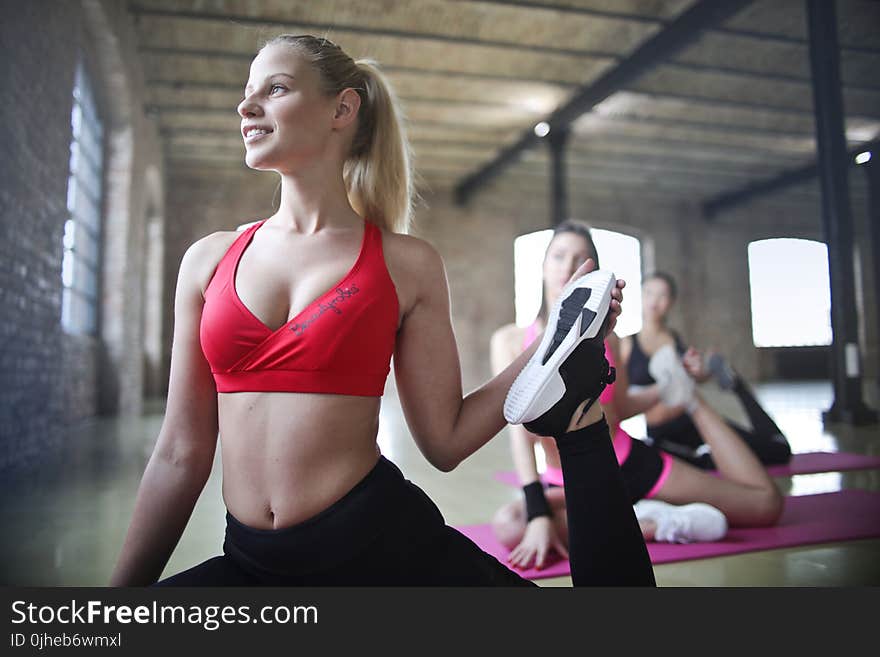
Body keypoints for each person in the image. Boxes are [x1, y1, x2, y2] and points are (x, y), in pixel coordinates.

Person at [109, 35, 653, 587]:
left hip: (383, 548)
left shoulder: (405, 264)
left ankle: (577, 403)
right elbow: (179, 453)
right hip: (252, 565)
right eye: (247, 93)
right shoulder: (207, 260)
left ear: (342, 109)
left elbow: (446, 442)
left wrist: (550, 341)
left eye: (275, 89)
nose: (247, 107)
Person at [491, 221, 783, 572]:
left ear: (592, 270)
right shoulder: (508, 341)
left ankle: (685, 410)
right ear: (542, 266)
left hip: (628, 462)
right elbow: (517, 433)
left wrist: (672, 389)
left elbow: (622, 405)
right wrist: (537, 512)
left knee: (765, 506)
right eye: (558, 256)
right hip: (563, 479)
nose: (567, 267)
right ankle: (650, 522)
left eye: (579, 258)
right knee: (508, 526)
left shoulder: (609, 338)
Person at [621, 272, 792, 469]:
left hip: (696, 420)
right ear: (641, 296)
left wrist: (701, 371)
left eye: (662, 295)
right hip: (664, 436)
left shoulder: (674, 339)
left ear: (671, 301)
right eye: (649, 293)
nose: (654, 301)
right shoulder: (627, 345)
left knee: (779, 451)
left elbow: (694, 379)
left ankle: (737, 386)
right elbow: (623, 399)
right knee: (710, 464)